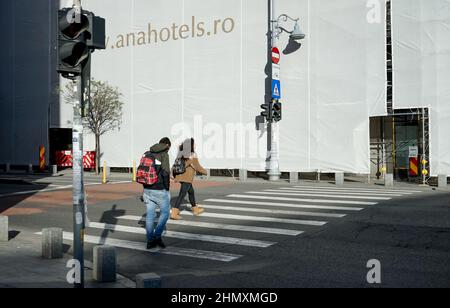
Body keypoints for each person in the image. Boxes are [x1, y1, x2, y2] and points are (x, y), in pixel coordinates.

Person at [142, 137, 172, 249]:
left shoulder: (147, 153)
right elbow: (165, 173)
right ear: (167, 145)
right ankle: (157, 236)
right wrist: (167, 188)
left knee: (150, 215)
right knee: (165, 213)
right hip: (159, 189)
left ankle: (150, 241)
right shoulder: (164, 154)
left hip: (146, 188)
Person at [171, 138, 208, 220]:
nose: (195, 145)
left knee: (191, 192)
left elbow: (176, 165)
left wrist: (174, 175)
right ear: (191, 145)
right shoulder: (192, 154)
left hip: (181, 176)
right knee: (182, 195)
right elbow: (197, 166)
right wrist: (205, 172)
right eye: (194, 143)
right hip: (187, 177)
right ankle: (174, 212)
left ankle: (195, 209)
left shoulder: (181, 153)